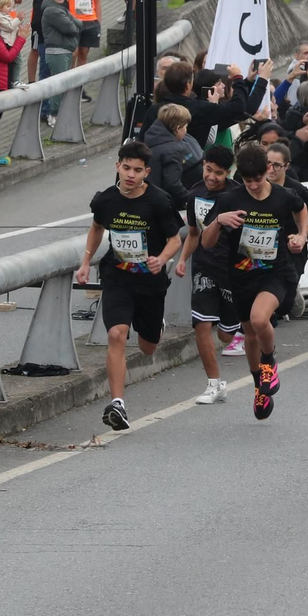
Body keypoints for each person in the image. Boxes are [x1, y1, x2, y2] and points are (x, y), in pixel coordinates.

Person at [75, 142, 184, 431]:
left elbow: (175, 239)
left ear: (147, 172)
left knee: (148, 347)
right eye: (126, 168)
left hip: (150, 281)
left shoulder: (159, 201)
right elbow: (97, 228)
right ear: (117, 167)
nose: (131, 175)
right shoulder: (106, 200)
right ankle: (118, 404)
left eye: (138, 170)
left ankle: (154, 327)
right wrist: (86, 263)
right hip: (117, 276)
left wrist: (161, 259)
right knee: (116, 333)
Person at [202, 143, 308, 421]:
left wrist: (302, 235)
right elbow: (206, 241)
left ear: (268, 170)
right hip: (240, 276)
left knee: (260, 320)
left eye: (258, 179)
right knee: (250, 334)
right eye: (247, 180)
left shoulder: (283, 196)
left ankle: (270, 362)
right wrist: (218, 222)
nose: (252, 185)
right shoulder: (229, 200)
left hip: (275, 272)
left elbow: (302, 209)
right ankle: (259, 388)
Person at [175, 143, 239, 405]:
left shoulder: (237, 195)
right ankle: (214, 384)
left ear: (229, 173)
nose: (211, 177)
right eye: (208, 170)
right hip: (203, 267)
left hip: (232, 272)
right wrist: (182, 259)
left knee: (225, 334)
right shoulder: (194, 193)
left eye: (219, 173)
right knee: (201, 325)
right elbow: (193, 233)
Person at [38, 0, 82, 123]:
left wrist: (74, 23)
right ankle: (54, 115)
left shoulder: (61, 8)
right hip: (57, 53)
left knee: (63, 85)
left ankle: (58, 114)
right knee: (59, 86)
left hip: (65, 51)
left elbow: (79, 23)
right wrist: (73, 23)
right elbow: (72, 28)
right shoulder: (52, 10)